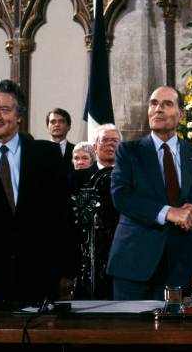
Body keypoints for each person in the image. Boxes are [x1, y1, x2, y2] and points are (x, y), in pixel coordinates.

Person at [0, 79, 76, 303]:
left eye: (4, 110)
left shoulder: (47, 155)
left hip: (41, 278)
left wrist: (66, 272)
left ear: (19, 115)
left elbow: (62, 216)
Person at [107, 86, 192, 300]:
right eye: (154, 103)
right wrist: (169, 212)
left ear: (181, 114)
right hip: (134, 267)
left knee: (178, 334)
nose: (158, 109)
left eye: (167, 104)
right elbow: (121, 196)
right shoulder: (129, 151)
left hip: (184, 269)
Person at [68, 124, 121, 299]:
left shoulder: (131, 177)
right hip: (85, 255)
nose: (110, 145)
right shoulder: (77, 178)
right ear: (95, 147)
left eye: (115, 141)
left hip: (122, 251)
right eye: (105, 140)